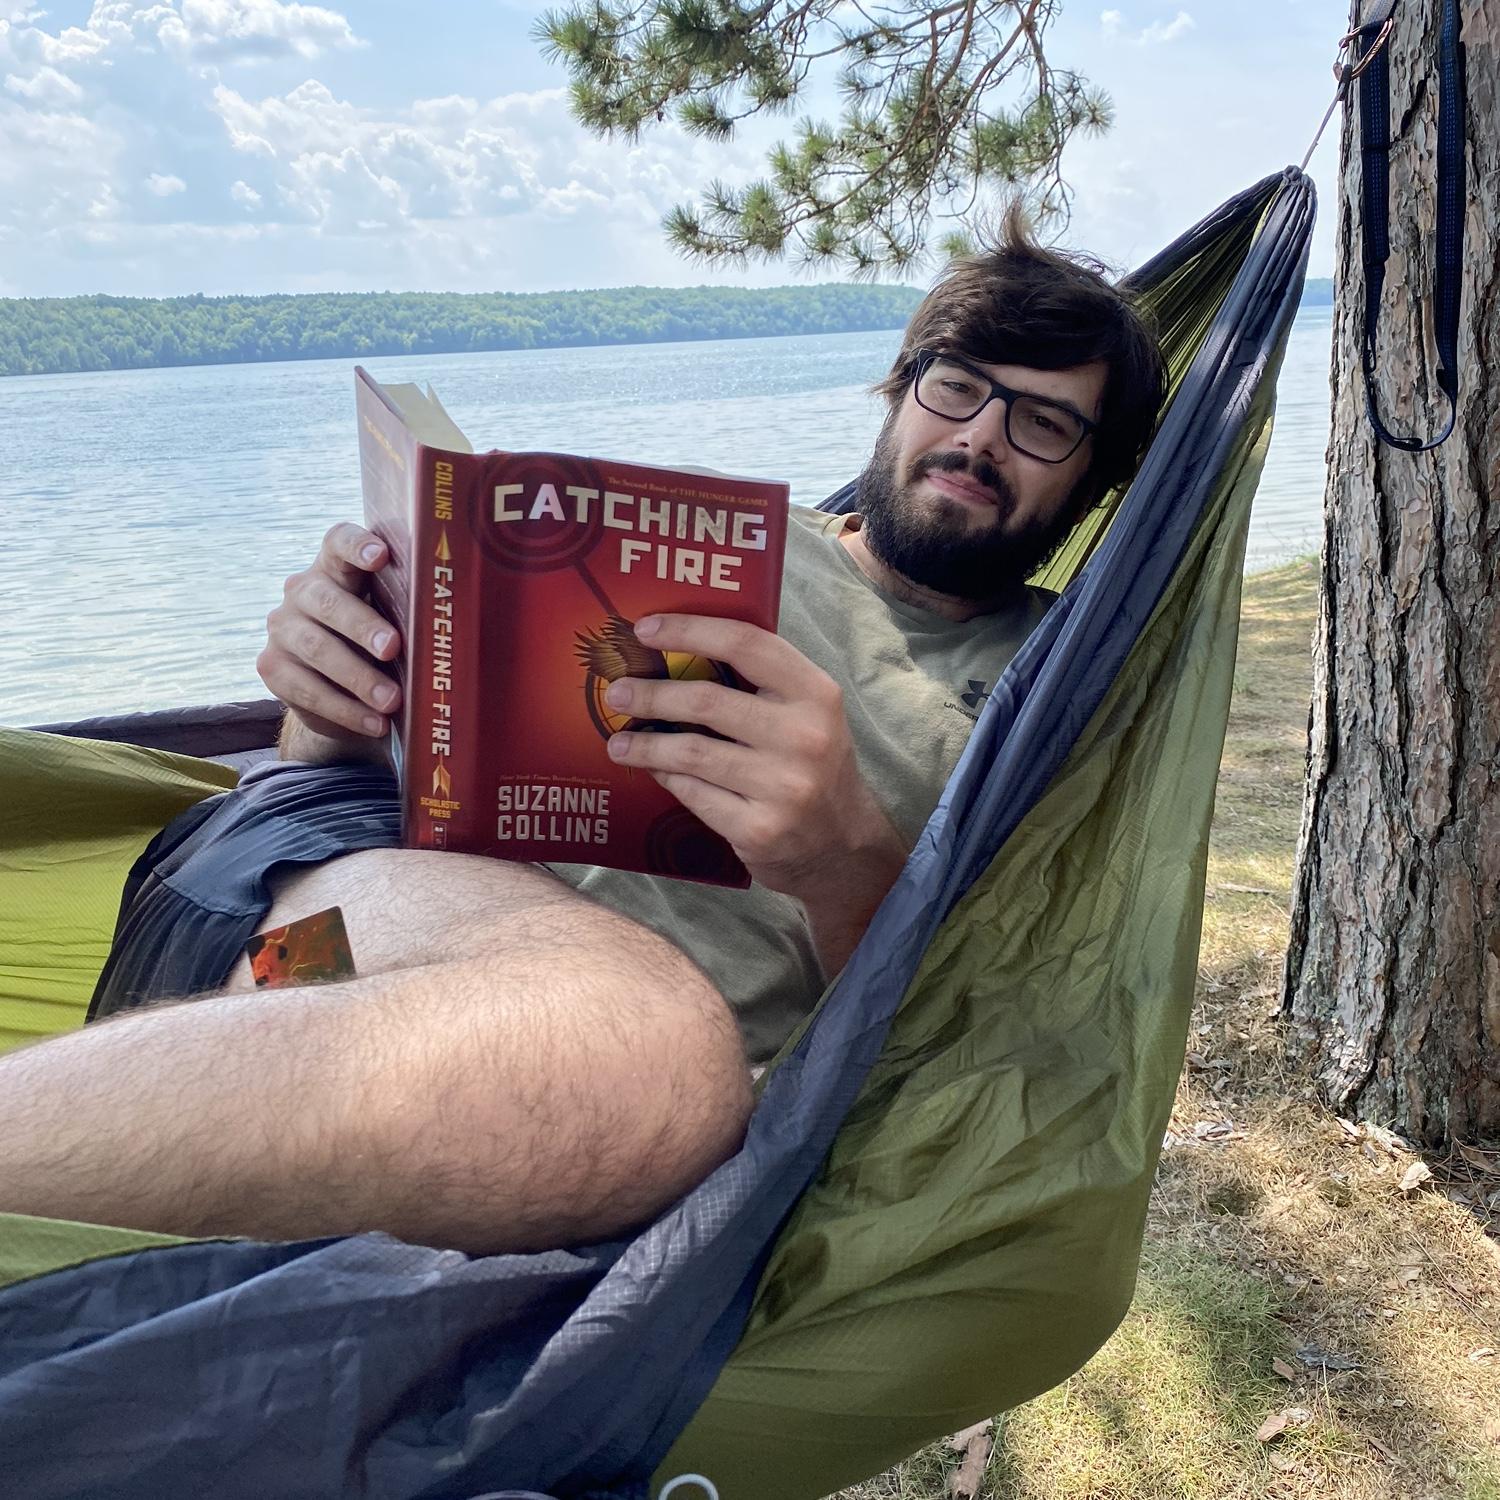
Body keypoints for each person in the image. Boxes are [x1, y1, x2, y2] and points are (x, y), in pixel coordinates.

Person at [0, 213, 1165, 1256]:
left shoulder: (1054, 694)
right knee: (630, 1044)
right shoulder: (708, 539)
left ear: (1093, 488)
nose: (982, 437)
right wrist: (330, 697)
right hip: (336, 924)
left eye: (1046, 423)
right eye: (957, 386)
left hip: (556, 1098)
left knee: (649, 1052)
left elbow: (984, 1039)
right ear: (902, 389)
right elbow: (335, 787)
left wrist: (842, 858)